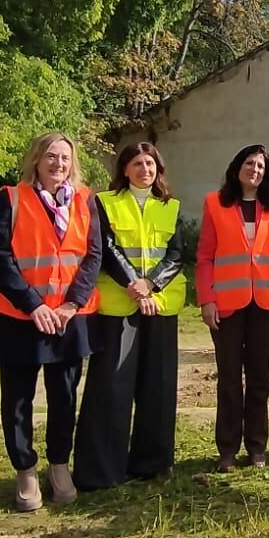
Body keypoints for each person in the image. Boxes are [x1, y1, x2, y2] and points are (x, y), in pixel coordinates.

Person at [0, 132, 103, 512]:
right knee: (17, 399)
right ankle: (25, 471)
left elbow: (92, 255)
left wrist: (71, 304)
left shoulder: (86, 200)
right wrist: (34, 305)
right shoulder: (10, 199)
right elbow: (0, 257)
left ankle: (59, 466)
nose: (58, 164)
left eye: (65, 158)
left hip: (69, 318)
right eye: (51, 156)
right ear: (36, 159)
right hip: (19, 317)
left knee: (64, 397)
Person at [73, 142, 189, 492]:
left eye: (150, 163)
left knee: (159, 386)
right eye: (137, 163)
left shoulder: (170, 206)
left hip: (161, 304)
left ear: (158, 169)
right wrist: (134, 286)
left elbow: (176, 254)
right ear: (125, 169)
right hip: (118, 305)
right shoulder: (104, 202)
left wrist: (151, 285)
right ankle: (101, 472)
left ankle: (152, 466)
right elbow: (105, 248)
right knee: (110, 387)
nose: (144, 169)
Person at [197, 144, 269, 472]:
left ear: (266, 172)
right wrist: (206, 299)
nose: (254, 169)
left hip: (265, 302)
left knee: (259, 377)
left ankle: (257, 448)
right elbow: (206, 256)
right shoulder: (215, 202)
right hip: (226, 304)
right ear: (237, 166)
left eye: (260, 165)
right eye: (249, 163)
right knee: (228, 378)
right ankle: (227, 450)